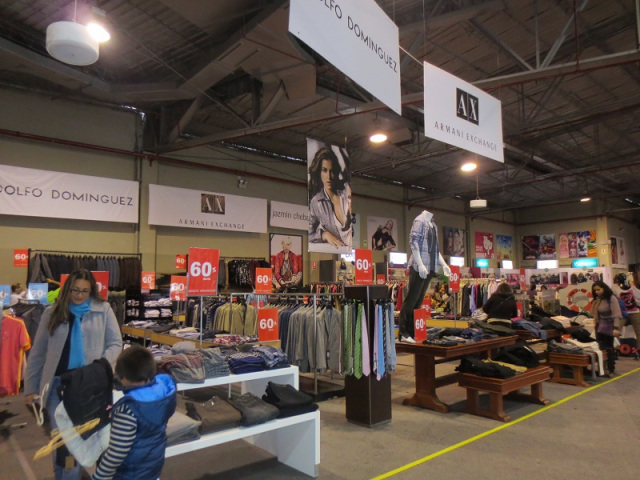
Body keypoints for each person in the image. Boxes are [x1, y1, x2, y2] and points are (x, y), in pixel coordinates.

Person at [24, 269, 122, 480]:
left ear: (92, 290)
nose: (79, 295)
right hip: (57, 387)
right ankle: (65, 475)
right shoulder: (52, 313)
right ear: (67, 289)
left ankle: (68, 475)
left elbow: (115, 343)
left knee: (79, 442)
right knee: (64, 443)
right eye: (75, 290)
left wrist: (101, 367)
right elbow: (38, 353)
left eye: (85, 291)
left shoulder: (103, 310)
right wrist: (31, 387)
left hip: (87, 387)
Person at [92, 345, 177, 480]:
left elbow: (116, 453)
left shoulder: (129, 409)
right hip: (153, 466)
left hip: (129, 473)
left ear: (124, 377)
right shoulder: (164, 392)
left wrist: (99, 476)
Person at [398, 210, 451, 342]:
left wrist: (444, 264)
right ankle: (403, 332)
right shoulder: (419, 221)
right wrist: (420, 264)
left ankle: (412, 332)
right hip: (419, 267)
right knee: (411, 300)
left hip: (429, 268)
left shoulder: (433, 225)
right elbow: (413, 243)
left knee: (418, 302)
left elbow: (436, 250)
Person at [308, 147, 352, 248]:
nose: (329, 177)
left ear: (336, 172)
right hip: (338, 250)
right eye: (324, 170)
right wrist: (325, 235)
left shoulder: (346, 192)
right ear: (319, 173)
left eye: (332, 171)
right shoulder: (316, 202)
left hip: (350, 249)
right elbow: (309, 235)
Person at [591, 280, 622, 376]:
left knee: (609, 349)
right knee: (601, 348)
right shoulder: (597, 300)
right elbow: (595, 314)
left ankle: (611, 369)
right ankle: (603, 370)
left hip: (609, 326)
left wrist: (615, 328)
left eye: (598, 289)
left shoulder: (611, 298)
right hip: (599, 326)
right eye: (595, 290)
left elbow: (616, 314)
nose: (597, 292)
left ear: (604, 288)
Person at [612, 273, 640, 346]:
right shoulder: (615, 289)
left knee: (638, 331)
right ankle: (616, 347)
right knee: (616, 330)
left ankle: (639, 348)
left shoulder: (633, 288)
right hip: (622, 313)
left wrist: (637, 303)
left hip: (634, 311)